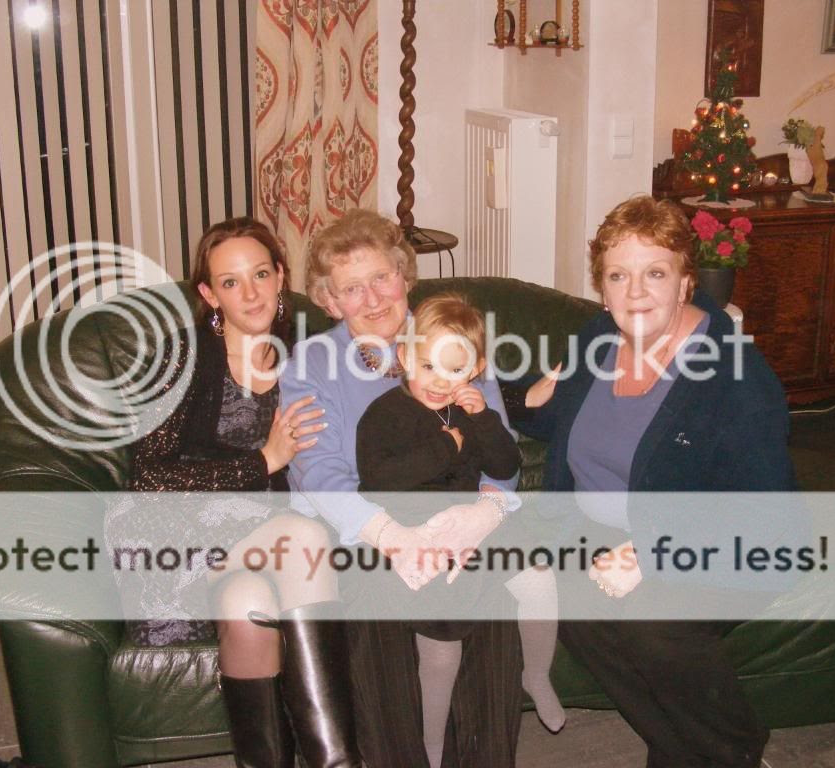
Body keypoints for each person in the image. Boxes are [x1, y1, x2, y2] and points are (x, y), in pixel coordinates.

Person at [509, 195, 796, 767]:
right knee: (571, 603)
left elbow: (765, 512)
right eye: (619, 275)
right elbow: (554, 414)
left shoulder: (734, 375)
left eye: (655, 273)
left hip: (720, 541)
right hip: (596, 534)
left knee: (650, 624)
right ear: (603, 288)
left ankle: (736, 750)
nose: (636, 292)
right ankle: (688, 752)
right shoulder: (597, 337)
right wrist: (520, 395)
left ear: (686, 282)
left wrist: (652, 551)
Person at [104, 217, 362, 768]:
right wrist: (263, 461)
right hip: (172, 538)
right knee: (300, 539)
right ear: (209, 294)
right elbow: (148, 478)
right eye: (230, 282)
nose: (250, 293)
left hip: (256, 544)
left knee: (249, 608)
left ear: (281, 277)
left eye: (261, 274)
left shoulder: (308, 356)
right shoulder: (181, 357)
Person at [280, 209, 525, 768]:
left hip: (455, 514)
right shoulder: (312, 364)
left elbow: (499, 445)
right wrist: (390, 535)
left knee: (491, 584)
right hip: (362, 525)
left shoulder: (452, 337)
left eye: (381, 278)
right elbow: (318, 472)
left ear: (405, 276)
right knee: (373, 594)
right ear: (329, 301)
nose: (371, 299)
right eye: (351, 288)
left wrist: (484, 514)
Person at [355, 292, 565, 766]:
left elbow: (506, 465)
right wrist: (445, 449)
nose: (438, 381)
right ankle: (431, 747)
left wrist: (484, 419)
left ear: (475, 370)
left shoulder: (471, 411)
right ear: (404, 356)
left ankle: (536, 674)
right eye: (427, 366)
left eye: (455, 370)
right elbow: (377, 480)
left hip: (473, 525)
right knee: (442, 649)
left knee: (538, 576)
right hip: (416, 533)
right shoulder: (385, 414)